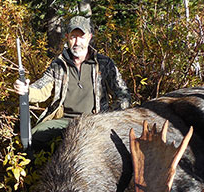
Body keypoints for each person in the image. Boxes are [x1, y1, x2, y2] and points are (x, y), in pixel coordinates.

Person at [13, 15, 131, 150]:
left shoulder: (104, 63)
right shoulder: (59, 64)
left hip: (95, 121)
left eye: (81, 37)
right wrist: (26, 90)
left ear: (89, 37)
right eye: (73, 37)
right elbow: (42, 88)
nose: (77, 42)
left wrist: (112, 119)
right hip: (65, 121)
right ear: (67, 37)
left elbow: (123, 94)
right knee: (33, 138)